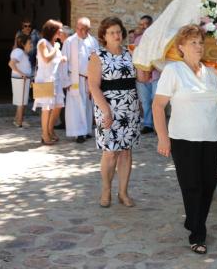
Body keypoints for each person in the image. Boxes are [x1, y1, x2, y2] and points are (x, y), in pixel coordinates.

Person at [152, 24, 217, 254]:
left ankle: (193, 220)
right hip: (183, 138)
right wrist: (162, 138)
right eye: (193, 43)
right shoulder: (173, 71)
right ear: (181, 47)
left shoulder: (210, 71)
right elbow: (158, 106)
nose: (198, 47)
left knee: (209, 184)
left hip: (210, 138)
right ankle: (198, 234)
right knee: (192, 186)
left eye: (200, 42)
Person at [88, 17, 141, 209]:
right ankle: (106, 190)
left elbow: (141, 78)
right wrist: (106, 111)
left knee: (126, 152)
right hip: (108, 107)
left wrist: (144, 58)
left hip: (129, 107)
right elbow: (93, 86)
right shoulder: (97, 56)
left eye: (119, 31)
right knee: (110, 153)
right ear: (104, 36)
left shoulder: (131, 54)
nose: (117, 35)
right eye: (112, 32)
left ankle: (123, 192)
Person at [63, 17, 99, 143]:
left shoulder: (93, 41)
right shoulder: (69, 41)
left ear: (88, 29)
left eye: (83, 29)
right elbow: (64, 62)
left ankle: (87, 130)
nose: (80, 31)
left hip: (89, 79)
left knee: (88, 106)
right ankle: (78, 133)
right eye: (78, 28)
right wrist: (66, 81)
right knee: (76, 107)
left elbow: (97, 60)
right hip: (75, 79)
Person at [33, 19, 67, 145]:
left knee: (58, 106)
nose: (62, 31)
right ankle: (45, 134)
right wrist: (57, 48)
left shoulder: (53, 44)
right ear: (53, 30)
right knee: (46, 109)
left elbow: (54, 60)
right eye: (60, 29)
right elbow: (46, 58)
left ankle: (50, 129)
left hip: (55, 80)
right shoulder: (43, 42)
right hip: (45, 80)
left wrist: (61, 58)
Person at [133, 15, 160, 134]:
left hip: (155, 74)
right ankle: (148, 124)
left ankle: (158, 125)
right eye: (141, 24)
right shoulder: (137, 39)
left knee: (157, 100)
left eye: (146, 24)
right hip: (141, 75)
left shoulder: (158, 39)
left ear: (151, 25)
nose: (143, 27)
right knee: (145, 102)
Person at [9, 34, 33, 128]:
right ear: (23, 44)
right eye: (29, 43)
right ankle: (19, 122)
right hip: (20, 79)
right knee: (21, 102)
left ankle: (18, 120)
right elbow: (11, 63)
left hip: (22, 79)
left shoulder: (20, 52)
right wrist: (22, 74)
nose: (31, 45)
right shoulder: (18, 51)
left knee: (22, 101)